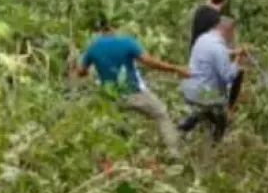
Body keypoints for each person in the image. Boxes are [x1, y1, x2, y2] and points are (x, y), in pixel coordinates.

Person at [73, 15, 188, 156]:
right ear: (112, 27)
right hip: (134, 92)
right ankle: (173, 153)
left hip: (111, 98)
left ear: (97, 30)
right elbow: (149, 61)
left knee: (114, 125)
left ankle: (119, 155)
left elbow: (81, 72)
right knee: (161, 113)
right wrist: (174, 68)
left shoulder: (92, 47)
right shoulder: (127, 42)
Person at [178, 16, 243, 142]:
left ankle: (190, 121)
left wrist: (233, 52)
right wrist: (237, 60)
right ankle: (215, 142)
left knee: (205, 105)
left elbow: (214, 54)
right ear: (228, 31)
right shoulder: (219, 48)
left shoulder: (203, 38)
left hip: (188, 89)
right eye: (233, 32)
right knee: (221, 119)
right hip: (204, 94)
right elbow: (228, 76)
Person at [188, 0, 243, 111]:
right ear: (226, 0)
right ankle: (228, 111)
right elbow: (215, 49)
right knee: (237, 72)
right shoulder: (218, 20)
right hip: (207, 61)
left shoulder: (199, 11)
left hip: (194, 56)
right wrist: (236, 54)